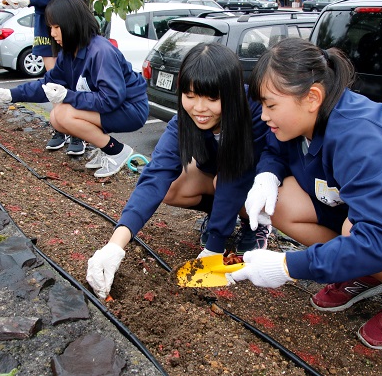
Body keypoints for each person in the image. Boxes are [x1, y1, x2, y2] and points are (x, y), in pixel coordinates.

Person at [230, 37, 382, 350]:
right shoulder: (302, 120)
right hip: (373, 206)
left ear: (312, 97)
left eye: (270, 105)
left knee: (363, 234)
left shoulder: (361, 137)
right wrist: (266, 176)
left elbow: (380, 239)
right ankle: (366, 272)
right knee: (280, 203)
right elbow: (276, 150)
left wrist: (286, 266)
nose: (264, 116)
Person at [86, 43, 271, 300]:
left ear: (231, 94)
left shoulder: (255, 113)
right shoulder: (184, 121)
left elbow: (235, 179)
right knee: (172, 188)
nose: (199, 108)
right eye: (191, 95)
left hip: (260, 181)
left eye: (212, 98)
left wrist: (214, 246)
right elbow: (155, 175)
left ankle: (256, 226)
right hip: (222, 177)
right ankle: (219, 216)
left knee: (225, 182)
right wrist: (116, 243)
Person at [0, 0, 148, 178]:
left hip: (130, 108)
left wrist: (67, 96)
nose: (52, 34)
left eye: (57, 27)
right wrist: (9, 94)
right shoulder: (69, 53)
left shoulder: (101, 52)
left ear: (72, 23)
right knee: (56, 118)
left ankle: (116, 151)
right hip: (112, 106)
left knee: (63, 113)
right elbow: (47, 85)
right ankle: (105, 148)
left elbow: (111, 98)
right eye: (51, 27)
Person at [0, 0, 84, 154]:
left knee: (72, 73)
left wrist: (29, 1)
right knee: (52, 74)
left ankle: (78, 131)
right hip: (41, 12)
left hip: (65, 10)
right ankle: (60, 127)